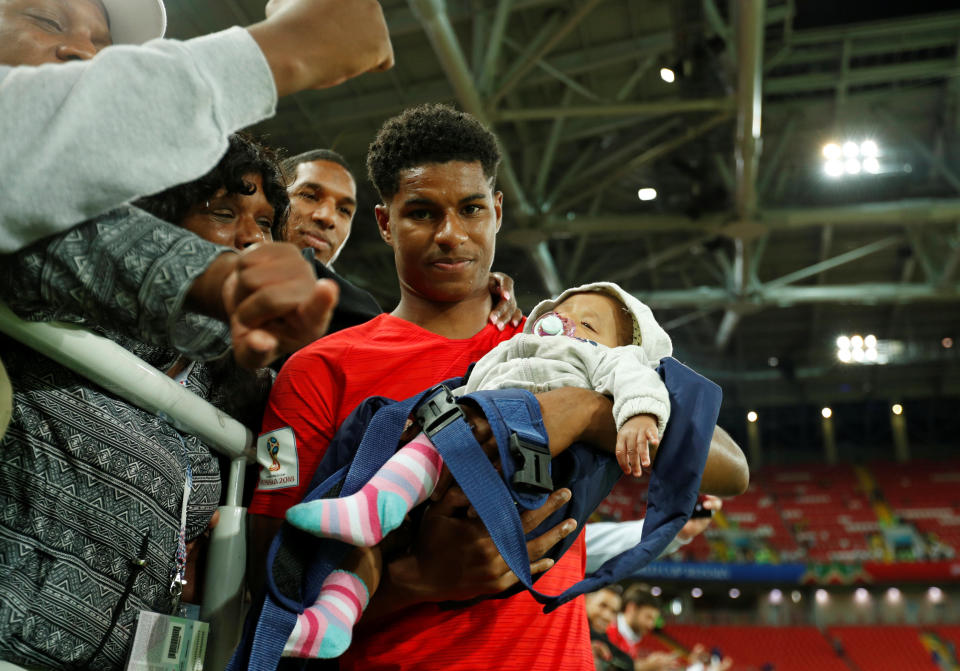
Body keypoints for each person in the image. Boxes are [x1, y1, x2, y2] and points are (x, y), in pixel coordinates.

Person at [246, 103, 749, 671]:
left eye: (470, 209)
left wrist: (584, 411)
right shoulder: (320, 370)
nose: (450, 234)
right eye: (421, 213)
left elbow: (729, 468)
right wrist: (420, 582)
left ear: (498, 212)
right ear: (386, 223)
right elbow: (269, 583)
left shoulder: (566, 352)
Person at [0, 135, 293, 670]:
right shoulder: (63, 312)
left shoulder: (230, 380)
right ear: (155, 224)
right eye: (224, 212)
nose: (251, 236)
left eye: (267, 224)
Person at [282, 280, 672, 657]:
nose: (564, 323)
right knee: (368, 547)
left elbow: (648, 389)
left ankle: (372, 504)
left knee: (436, 440)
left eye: (587, 324)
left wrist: (629, 415)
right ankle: (331, 619)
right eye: (559, 311)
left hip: (520, 474)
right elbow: (470, 388)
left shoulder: (607, 360)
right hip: (462, 462)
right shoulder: (516, 347)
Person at [279, 148, 523, 336]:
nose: (328, 217)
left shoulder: (356, 319)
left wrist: (474, 291)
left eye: (344, 210)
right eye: (309, 196)